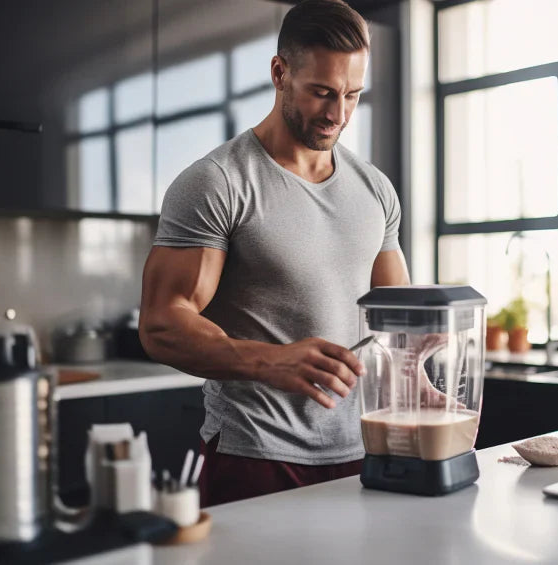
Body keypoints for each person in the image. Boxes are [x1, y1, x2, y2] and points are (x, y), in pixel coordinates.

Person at [138, 0, 409, 507]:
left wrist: (420, 385)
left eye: (352, 94)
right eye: (322, 93)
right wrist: (271, 361)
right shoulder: (217, 183)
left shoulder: (375, 189)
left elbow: (397, 319)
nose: (338, 113)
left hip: (359, 453)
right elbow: (161, 323)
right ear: (280, 73)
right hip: (254, 455)